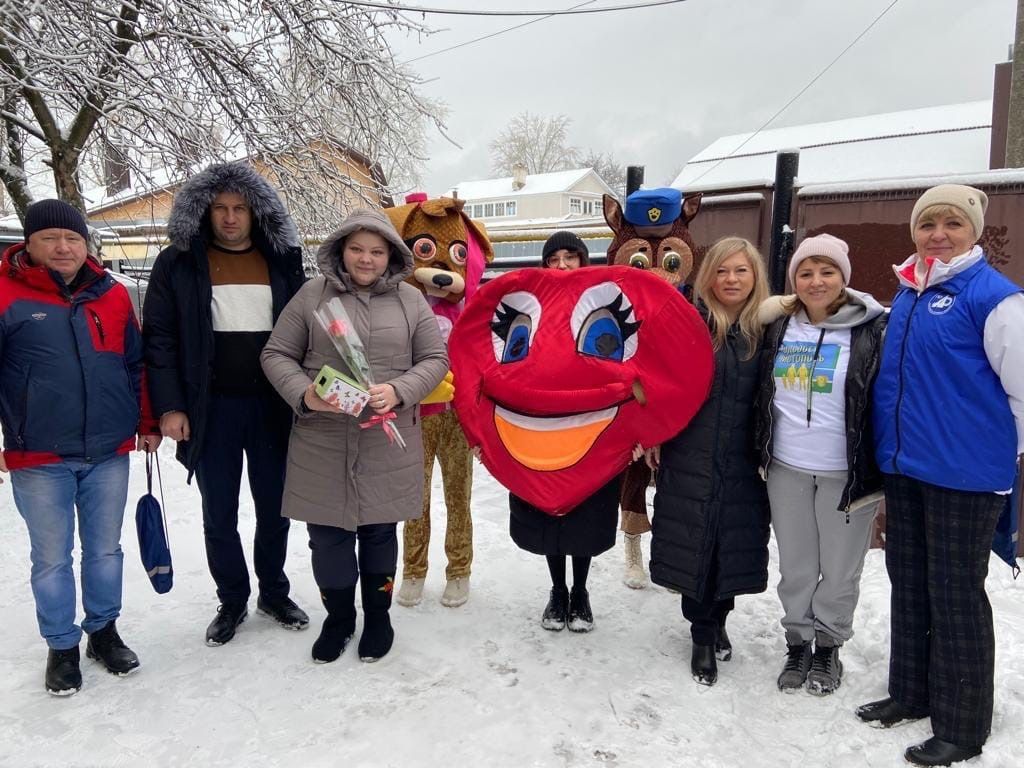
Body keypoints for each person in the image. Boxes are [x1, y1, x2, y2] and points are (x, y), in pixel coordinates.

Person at [855, 185, 1024, 766]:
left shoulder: (994, 298)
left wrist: (999, 456)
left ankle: (963, 723)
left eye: (953, 223)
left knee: (955, 594)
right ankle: (911, 691)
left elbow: (1022, 391)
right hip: (908, 466)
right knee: (909, 580)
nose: (940, 234)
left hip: (966, 476)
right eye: (929, 224)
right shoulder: (910, 293)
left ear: (974, 231)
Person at [261, 208, 447, 664]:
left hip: (386, 440)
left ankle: (378, 617)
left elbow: (435, 359)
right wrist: (305, 393)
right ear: (341, 251)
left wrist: (399, 390)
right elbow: (275, 353)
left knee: (380, 532)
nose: (366, 259)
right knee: (327, 537)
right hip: (322, 439)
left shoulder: (410, 301)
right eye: (357, 249)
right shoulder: (311, 297)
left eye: (377, 251)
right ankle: (339, 617)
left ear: (391, 256)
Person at [143, 162, 309, 646]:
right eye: (220, 208)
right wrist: (170, 406)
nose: (231, 218)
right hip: (210, 408)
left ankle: (273, 592)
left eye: (239, 208)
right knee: (220, 512)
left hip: (273, 405)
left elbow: (306, 331)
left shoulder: (282, 260)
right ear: (205, 212)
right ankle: (232, 599)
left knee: (276, 507)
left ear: (256, 213)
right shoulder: (178, 263)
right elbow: (160, 340)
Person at [0, 199, 161, 695]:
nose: (63, 247)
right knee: (51, 557)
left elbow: (135, 364)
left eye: (72, 238)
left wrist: (147, 422)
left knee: (105, 550)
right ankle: (61, 646)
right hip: (39, 453)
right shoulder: (5, 293)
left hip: (108, 450)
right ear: (29, 243)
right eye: (50, 238)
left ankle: (103, 632)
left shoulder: (111, 294)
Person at [756, 234, 887, 696]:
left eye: (827, 272)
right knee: (796, 565)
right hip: (787, 467)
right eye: (806, 273)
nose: (816, 281)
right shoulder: (778, 325)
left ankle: (829, 645)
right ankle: (798, 639)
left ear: (844, 279)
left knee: (839, 568)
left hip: (847, 473)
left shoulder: (873, 329)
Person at [647, 236, 771, 686]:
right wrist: (655, 433)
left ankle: (721, 616)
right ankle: (701, 632)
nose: (731, 279)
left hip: (745, 457)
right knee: (694, 540)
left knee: (733, 542)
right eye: (722, 270)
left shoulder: (766, 328)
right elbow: (657, 380)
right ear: (707, 277)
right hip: (692, 451)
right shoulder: (690, 323)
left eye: (740, 270)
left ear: (754, 276)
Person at [506, 230, 618, 633]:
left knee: (584, 516)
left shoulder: (602, 305)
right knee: (548, 512)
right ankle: (557, 591)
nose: (562, 266)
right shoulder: (530, 310)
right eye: (554, 258)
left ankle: (581, 591)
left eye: (571, 257)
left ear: (584, 262)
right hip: (542, 427)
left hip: (591, 426)